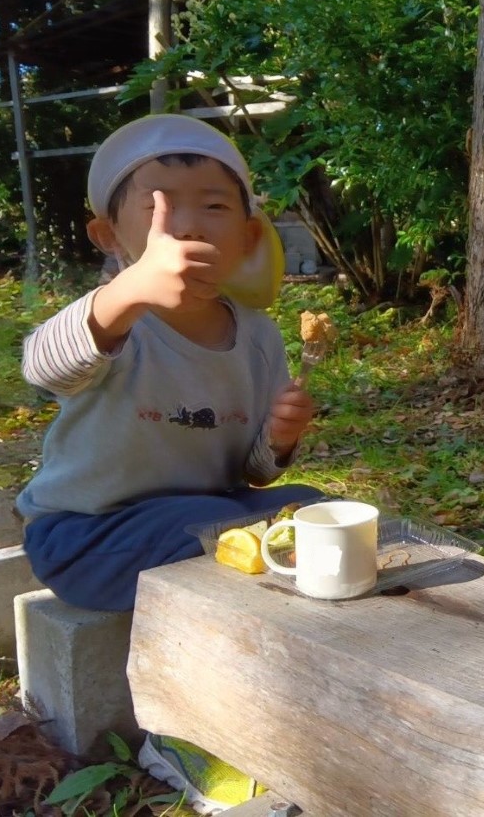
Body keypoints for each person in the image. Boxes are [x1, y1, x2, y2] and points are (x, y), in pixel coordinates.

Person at [16, 114, 324, 811]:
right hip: (85, 536)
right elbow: (44, 365)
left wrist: (277, 443)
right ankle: (181, 735)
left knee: (309, 506)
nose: (185, 223)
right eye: (157, 206)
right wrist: (128, 291)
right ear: (109, 236)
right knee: (218, 529)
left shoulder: (257, 339)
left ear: (248, 235)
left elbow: (247, 474)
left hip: (202, 515)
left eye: (213, 206)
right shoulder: (117, 322)